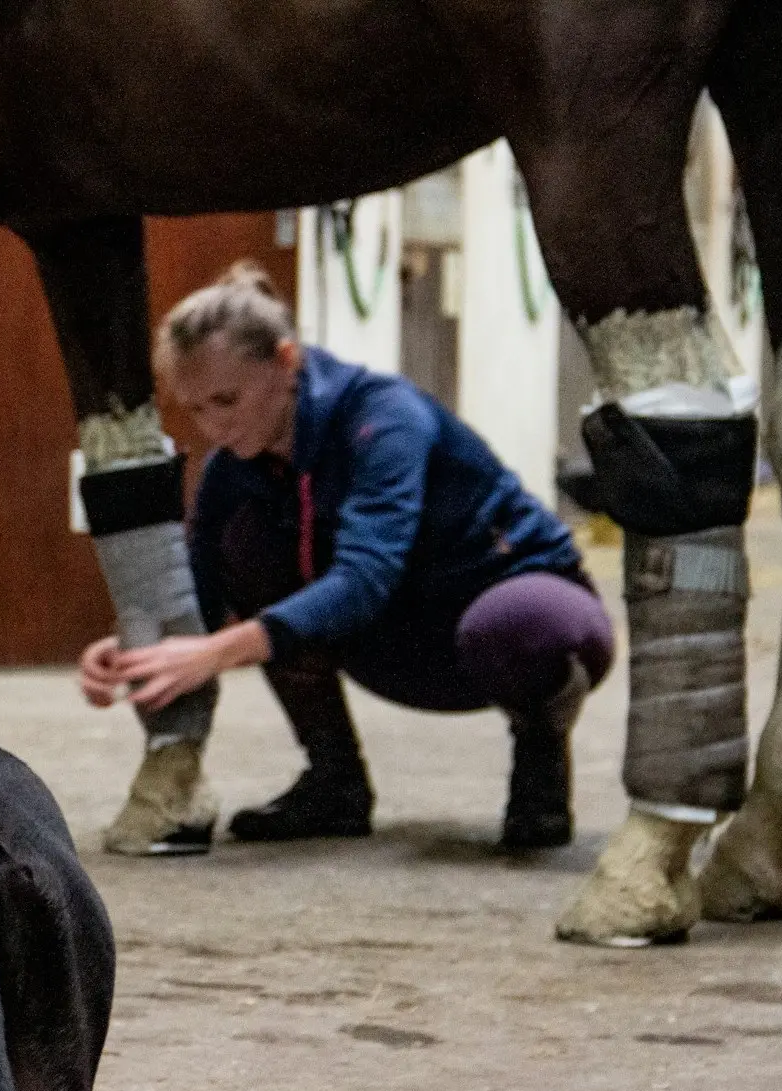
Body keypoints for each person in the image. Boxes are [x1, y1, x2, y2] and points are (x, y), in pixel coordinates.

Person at [80, 263, 615, 850]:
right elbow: (202, 599)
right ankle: (334, 779)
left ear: (286, 362)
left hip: (521, 619)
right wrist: (134, 649)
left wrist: (219, 651)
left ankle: (540, 767)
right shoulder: (230, 469)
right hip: (392, 641)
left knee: (515, 625)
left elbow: (366, 578)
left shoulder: (384, 418)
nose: (213, 425)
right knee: (244, 539)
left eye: (226, 400)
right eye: (195, 409)